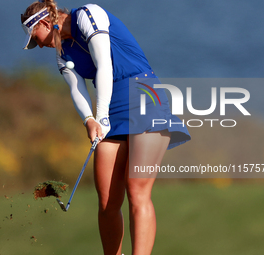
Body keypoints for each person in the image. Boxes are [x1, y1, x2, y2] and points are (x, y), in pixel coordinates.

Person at [21, 1, 191, 254]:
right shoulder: (61, 51)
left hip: (144, 98)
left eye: (38, 37)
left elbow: (104, 65)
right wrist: (89, 119)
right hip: (110, 109)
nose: (41, 45)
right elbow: (76, 88)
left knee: (136, 190)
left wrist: (100, 115)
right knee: (107, 201)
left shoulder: (89, 15)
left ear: (46, 23)